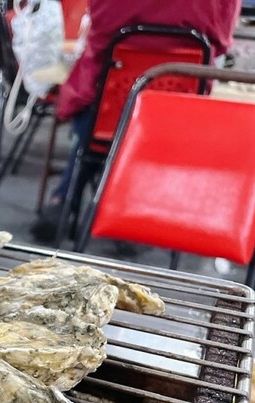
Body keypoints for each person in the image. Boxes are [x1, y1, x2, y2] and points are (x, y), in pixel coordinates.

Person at [33, 0, 242, 241]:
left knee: (96, 108)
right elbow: (222, 43)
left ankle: (66, 197)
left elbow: (99, 32)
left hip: (113, 106)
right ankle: (131, 207)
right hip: (175, 117)